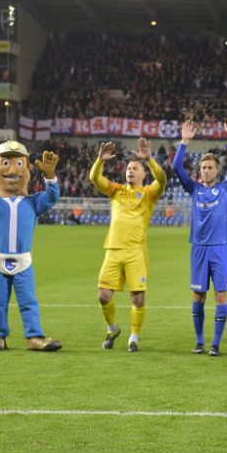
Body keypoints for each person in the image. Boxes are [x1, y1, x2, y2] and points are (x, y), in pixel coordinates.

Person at [0, 141, 62, 351]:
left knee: (29, 301)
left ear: (27, 168)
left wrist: (51, 178)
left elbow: (52, 197)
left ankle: (34, 337)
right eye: (5, 163)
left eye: (18, 164)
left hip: (23, 262)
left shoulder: (33, 202)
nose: (11, 169)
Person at [172, 117, 227, 356]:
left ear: (217, 170)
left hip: (221, 248)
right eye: (203, 168)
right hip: (199, 248)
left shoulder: (225, 188)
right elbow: (176, 168)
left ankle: (215, 344)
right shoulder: (194, 189)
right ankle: (200, 341)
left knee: (221, 295)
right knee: (198, 295)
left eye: (210, 167)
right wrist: (184, 142)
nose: (206, 171)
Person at [89, 137, 167, 353]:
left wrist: (149, 158)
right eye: (128, 168)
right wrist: (100, 160)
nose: (130, 171)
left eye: (135, 168)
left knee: (138, 297)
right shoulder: (116, 190)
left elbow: (162, 179)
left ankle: (134, 337)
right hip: (113, 249)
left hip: (136, 252)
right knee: (103, 296)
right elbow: (94, 178)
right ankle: (112, 329)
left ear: (143, 174)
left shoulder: (150, 193)